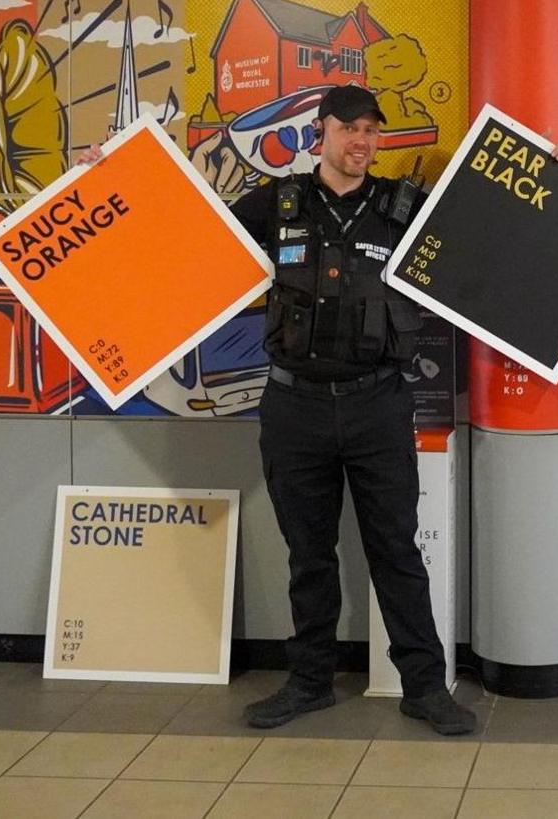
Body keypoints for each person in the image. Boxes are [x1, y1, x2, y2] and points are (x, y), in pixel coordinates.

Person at [81, 85, 482, 734]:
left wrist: (554, 169)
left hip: (379, 404)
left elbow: (493, 240)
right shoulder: (279, 202)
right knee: (309, 553)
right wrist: (111, 175)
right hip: (294, 408)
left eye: (372, 131)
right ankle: (309, 681)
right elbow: (189, 233)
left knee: (397, 552)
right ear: (320, 132)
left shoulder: (404, 207)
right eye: (349, 128)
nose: (362, 141)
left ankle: (424, 687)